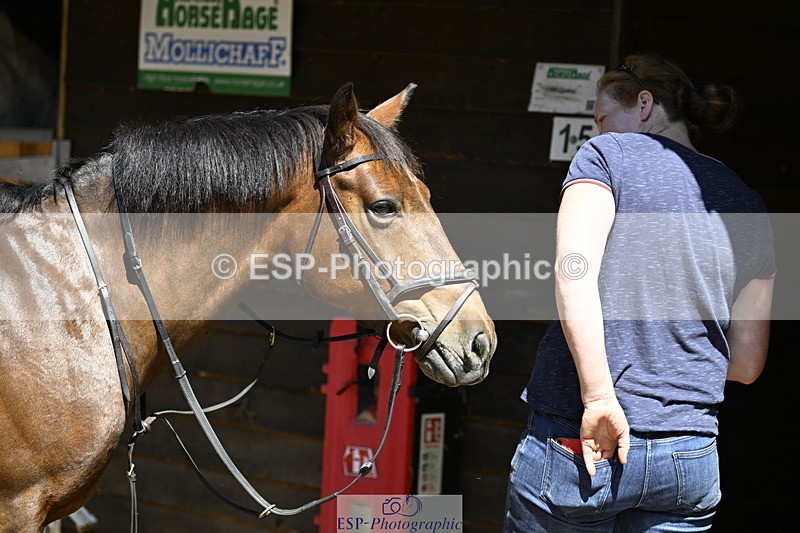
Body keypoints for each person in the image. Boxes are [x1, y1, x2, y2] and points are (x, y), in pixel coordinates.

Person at [504, 53, 775, 532]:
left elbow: (573, 273)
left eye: (602, 117)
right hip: (688, 452)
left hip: (584, 440)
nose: (599, 130)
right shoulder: (747, 201)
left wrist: (598, 398)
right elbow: (747, 365)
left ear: (644, 104)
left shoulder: (606, 156)